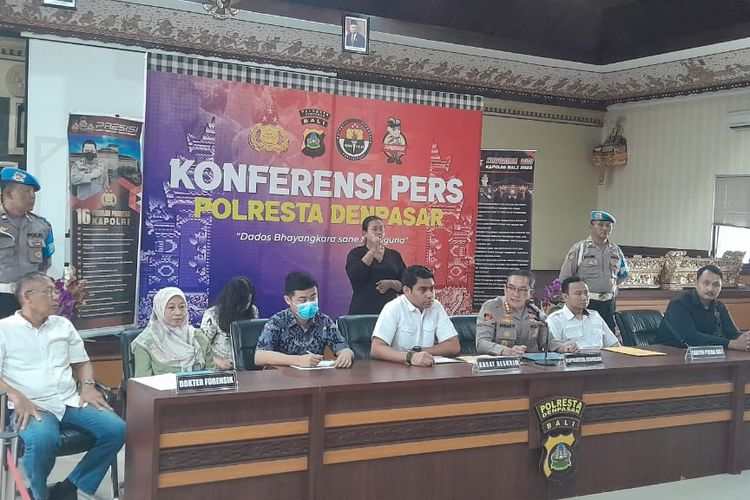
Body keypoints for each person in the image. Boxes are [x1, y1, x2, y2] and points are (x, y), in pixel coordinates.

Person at [0, 272, 125, 500]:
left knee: (117, 429)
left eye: (56, 291)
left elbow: (82, 362)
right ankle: (40, 495)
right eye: (49, 292)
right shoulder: (4, 330)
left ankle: (73, 486)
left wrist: (87, 386)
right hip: (32, 405)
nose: (56, 297)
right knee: (43, 440)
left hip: (69, 400)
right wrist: (17, 396)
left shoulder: (63, 325)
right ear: (27, 297)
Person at [255, 271, 354, 368]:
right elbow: (259, 357)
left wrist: (346, 354)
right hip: (282, 377)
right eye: (303, 300)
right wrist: (298, 360)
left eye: (313, 298)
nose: (309, 303)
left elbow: (343, 348)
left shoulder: (324, 321)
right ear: (288, 300)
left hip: (315, 377)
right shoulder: (277, 321)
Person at [371, 265, 460, 366]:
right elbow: (376, 349)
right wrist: (410, 357)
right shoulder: (393, 307)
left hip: (426, 368)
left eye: (431, 289)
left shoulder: (436, 306)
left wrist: (421, 352)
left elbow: (454, 345)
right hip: (398, 369)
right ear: (406, 290)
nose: (430, 295)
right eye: (423, 289)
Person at [559, 210, 628, 333]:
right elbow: (565, 277)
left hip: (608, 303)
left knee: (608, 335)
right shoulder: (580, 248)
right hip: (586, 302)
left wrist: (610, 286)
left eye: (608, 225)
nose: (605, 228)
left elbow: (624, 274)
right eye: (600, 225)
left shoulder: (616, 250)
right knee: (586, 334)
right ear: (591, 226)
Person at [0, 167, 54, 319]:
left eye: (33, 192)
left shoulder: (42, 226)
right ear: (9, 194)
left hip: (30, 300)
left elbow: (44, 263)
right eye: (26, 191)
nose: (32, 196)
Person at [655, 264, 750, 350]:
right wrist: (731, 344)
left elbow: (732, 334)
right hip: (669, 355)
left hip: (704, 356)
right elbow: (691, 338)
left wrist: (745, 339)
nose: (710, 289)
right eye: (706, 283)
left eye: (716, 285)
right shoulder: (678, 304)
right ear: (696, 283)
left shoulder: (719, 306)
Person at [132, 287, 215, 376]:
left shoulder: (198, 337)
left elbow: (212, 376)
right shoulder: (146, 343)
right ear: (160, 309)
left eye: (182, 307)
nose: (178, 312)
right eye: (171, 307)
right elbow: (142, 382)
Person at [475, 269, 559, 356]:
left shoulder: (535, 309)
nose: (516, 294)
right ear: (505, 289)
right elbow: (481, 343)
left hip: (530, 362)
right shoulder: (491, 307)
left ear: (531, 293)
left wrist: (562, 347)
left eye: (522, 289)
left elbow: (547, 341)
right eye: (511, 288)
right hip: (501, 361)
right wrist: (506, 351)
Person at [345, 215, 407, 315]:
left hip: (389, 312)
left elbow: (405, 284)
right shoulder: (356, 253)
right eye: (374, 229)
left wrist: (391, 283)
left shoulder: (394, 255)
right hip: (362, 311)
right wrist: (373, 250)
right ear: (365, 233)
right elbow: (356, 276)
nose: (379, 232)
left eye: (381, 229)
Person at [546, 276, 621, 351]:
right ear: (565, 297)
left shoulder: (595, 315)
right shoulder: (555, 319)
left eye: (586, 293)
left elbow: (613, 344)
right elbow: (553, 348)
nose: (584, 297)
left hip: (600, 357)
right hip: (574, 357)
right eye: (578, 294)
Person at [201, 276, 260, 369]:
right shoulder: (212, 314)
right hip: (220, 369)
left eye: (248, 302)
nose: (246, 306)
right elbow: (201, 348)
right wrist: (219, 362)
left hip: (246, 368)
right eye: (242, 302)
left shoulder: (253, 310)